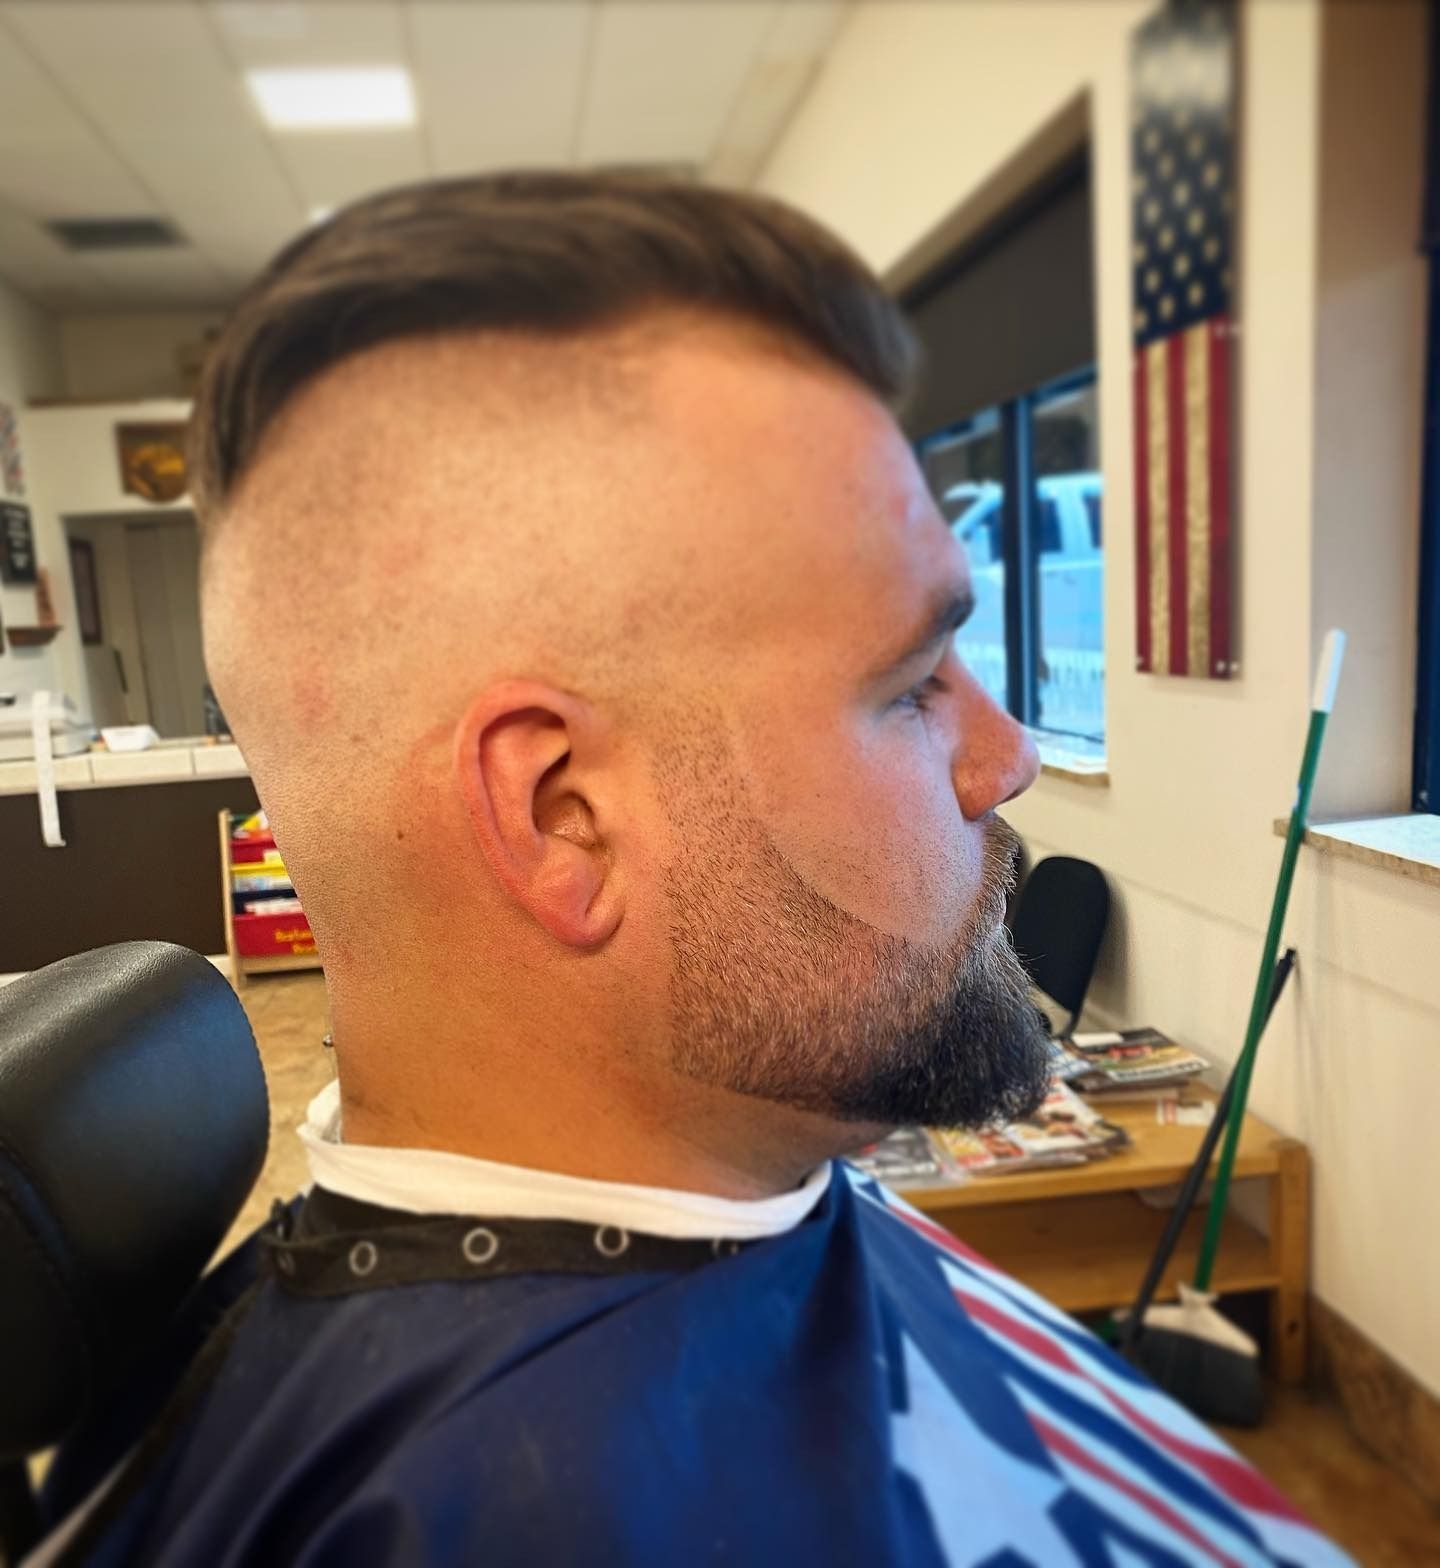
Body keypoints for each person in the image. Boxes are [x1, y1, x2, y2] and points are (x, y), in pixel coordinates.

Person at [34, 172, 1348, 1567]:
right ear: (564, 820)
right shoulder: (495, 1516)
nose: (1008, 756)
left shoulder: (751, 1173)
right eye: (910, 684)